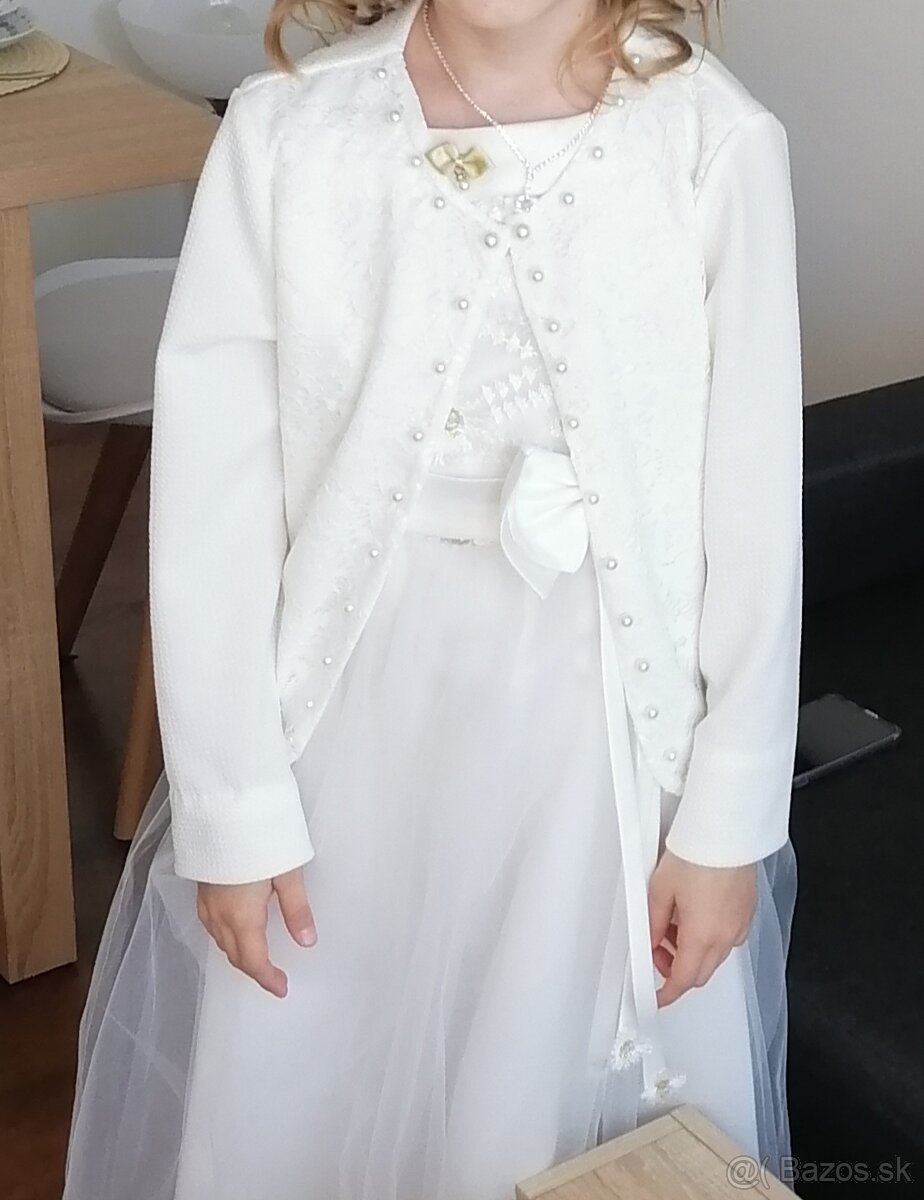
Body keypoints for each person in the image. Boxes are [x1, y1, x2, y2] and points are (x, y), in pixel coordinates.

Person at [62, 1, 803, 1197]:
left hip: (600, 753)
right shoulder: (290, 132)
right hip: (353, 726)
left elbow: (755, 510)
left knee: (539, 1108)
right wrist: (235, 807)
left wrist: (725, 822)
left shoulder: (714, 145)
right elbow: (212, 513)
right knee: (313, 1073)